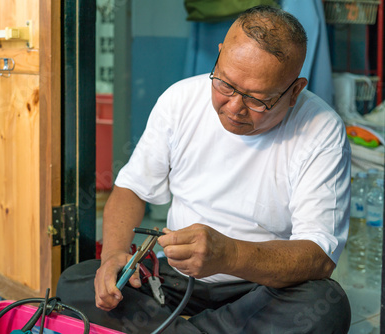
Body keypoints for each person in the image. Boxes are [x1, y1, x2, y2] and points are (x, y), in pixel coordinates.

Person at [57, 5, 351, 333]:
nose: (234, 108)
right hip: (176, 282)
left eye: (257, 100)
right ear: (221, 54)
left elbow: (318, 257)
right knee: (79, 282)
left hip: (261, 290)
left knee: (326, 303)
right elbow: (132, 189)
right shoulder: (180, 100)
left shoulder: (322, 130)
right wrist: (113, 255)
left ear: (294, 91)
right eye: (225, 84)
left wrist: (230, 255)